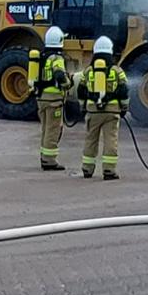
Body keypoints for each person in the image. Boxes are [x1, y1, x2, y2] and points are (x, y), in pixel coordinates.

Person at [76, 35, 129, 180]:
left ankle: (87, 169)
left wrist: (82, 106)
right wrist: (124, 107)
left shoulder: (88, 71)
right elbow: (124, 90)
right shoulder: (116, 71)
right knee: (110, 140)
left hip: (93, 111)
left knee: (90, 140)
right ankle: (109, 171)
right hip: (111, 111)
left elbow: (81, 90)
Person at [31, 26, 71, 171]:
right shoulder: (57, 58)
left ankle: (44, 156)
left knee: (45, 129)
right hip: (53, 100)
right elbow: (59, 75)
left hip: (41, 98)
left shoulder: (42, 56)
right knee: (53, 130)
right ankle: (49, 160)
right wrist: (67, 84)